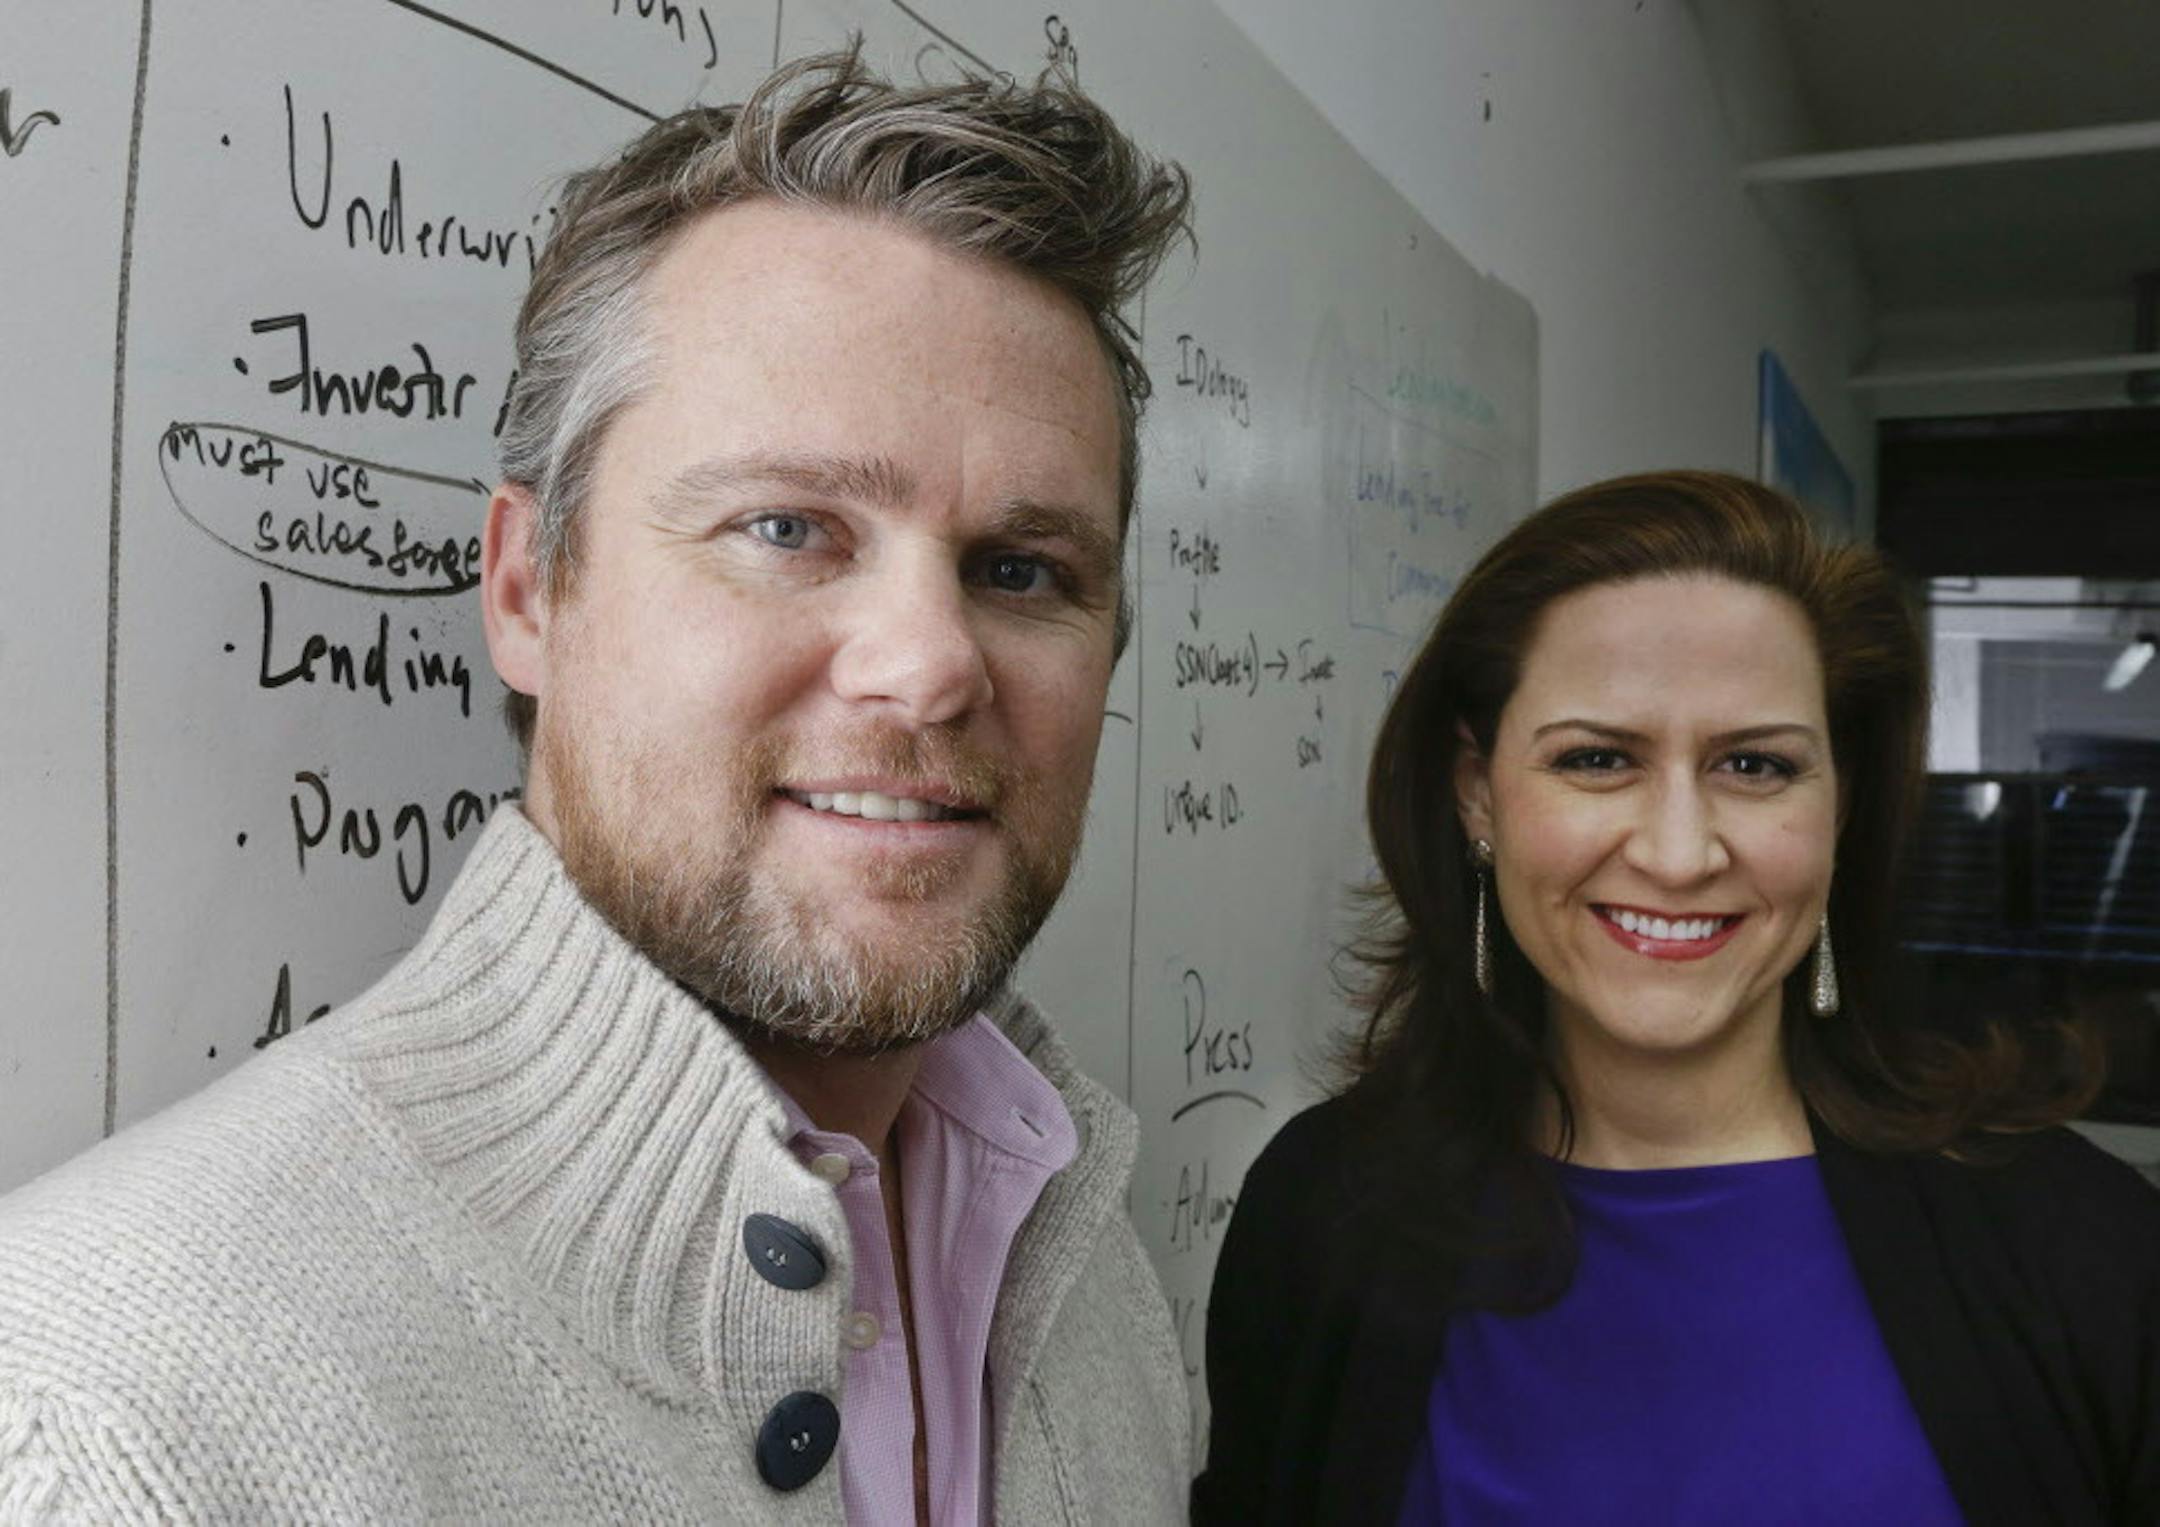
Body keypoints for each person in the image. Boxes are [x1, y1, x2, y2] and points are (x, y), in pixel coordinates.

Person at [0, 47, 1193, 1523]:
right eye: (787, 527)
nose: (930, 663)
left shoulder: (1086, 1266)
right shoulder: (114, 1427)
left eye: (1024, 570)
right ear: (525, 589)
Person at [1194, 471, 2160, 1525]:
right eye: (1598, 759)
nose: (1679, 852)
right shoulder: (1325, 1208)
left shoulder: (2087, 1250)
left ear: (1841, 807)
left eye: (1755, 764)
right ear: (1478, 795)